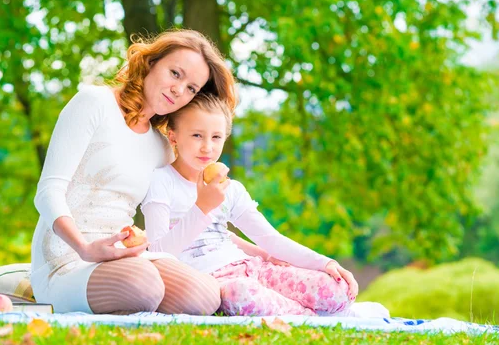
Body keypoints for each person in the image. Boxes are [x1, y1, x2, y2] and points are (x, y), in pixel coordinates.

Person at [30, 29, 238, 315]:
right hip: (67, 258)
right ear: (151, 63)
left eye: (191, 88)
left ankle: (129, 301)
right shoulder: (94, 103)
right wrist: (85, 248)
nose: (179, 90)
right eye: (175, 73)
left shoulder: (161, 147)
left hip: (124, 255)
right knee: (144, 285)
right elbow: (47, 192)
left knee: (204, 296)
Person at [141, 93, 361, 316]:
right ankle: (309, 317)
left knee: (335, 289)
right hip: (215, 282)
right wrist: (202, 207)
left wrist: (325, 263)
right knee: (242, 294)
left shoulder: (230, 188)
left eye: (216, 137)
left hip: (249, 266)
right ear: (173, 137)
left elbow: (270, 239)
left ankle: (309, 311)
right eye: (197, 135)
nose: (207, 147)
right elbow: (158, 253)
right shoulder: (161, 181)